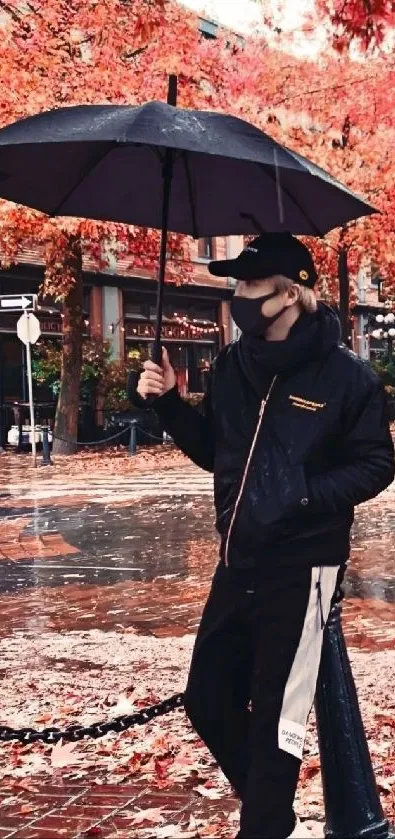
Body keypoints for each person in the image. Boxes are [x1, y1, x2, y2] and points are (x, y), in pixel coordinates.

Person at [136, 232, 395, 839]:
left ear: (293, 293)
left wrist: (303, 493)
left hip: (305, 570)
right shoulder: (232, 365)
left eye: (252, 286)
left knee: (278, 727)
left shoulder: (347, 378)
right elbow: (217, 454)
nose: (239, 297)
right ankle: (269, 813)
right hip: (238, 561)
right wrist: (169, 406)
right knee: (206, 697)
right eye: (237, 286)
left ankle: (265, 823)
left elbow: (377, 465)